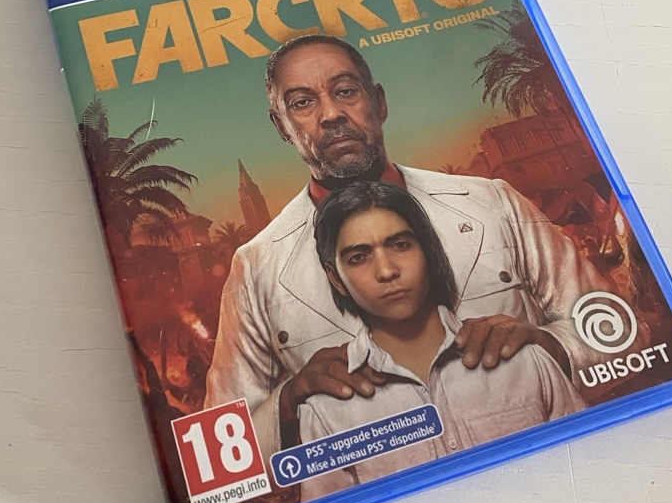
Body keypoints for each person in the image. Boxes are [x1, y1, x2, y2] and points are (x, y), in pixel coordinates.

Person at [204, 33, 613, 460]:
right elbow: (219, 453)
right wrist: (289, 402)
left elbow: (623, 334)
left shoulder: (493, 203)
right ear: (282, 127)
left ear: (379, 102)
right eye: (303, 103)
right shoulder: (256, 267)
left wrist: (548, 347)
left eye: (346, 91)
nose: (331, 114)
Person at [297, 180, 584, 500]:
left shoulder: (526, 360)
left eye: (400, 245)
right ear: (336, 278)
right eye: (358, 257)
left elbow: (589, 470)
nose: (387, 271)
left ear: (428, 251)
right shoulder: (325, 412)